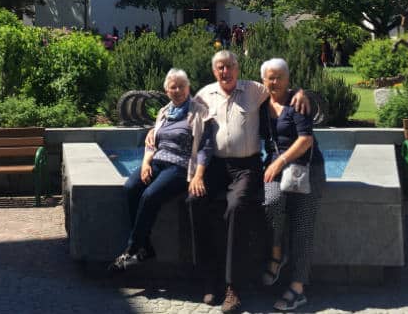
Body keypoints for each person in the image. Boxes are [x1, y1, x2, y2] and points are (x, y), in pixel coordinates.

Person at [181, 50, 309, 313]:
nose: (225, 71)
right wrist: (155, 131)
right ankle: (209, 279)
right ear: (214, 70)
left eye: (229, 66)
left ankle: (233, 287)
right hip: (215, 166)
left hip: (246, 166)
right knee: (194, 200)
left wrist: (301, 91)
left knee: (237, 207)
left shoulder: (253, 89)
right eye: (220, 67)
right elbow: (185, 119)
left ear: (237, 68)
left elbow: (279, 86)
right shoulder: (204, 95)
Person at [109, 69, 214, 272]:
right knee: (131, 187)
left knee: (150, 195)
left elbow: (206, 147)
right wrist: (146, 163)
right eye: (173, 87)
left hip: (180, 166)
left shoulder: (199, 112)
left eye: (181, 86)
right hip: (157, 162)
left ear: (188, 88)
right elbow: (152, 142)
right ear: (167, 91)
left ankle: (132, 249)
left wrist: (199, 174)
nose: (178, 90)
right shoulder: (164, 112)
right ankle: (146, 247)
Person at [259, 58, 325, 311]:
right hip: (277, 169)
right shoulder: (261, 103)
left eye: (280, 77)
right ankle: (277, 253)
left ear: (288, 79)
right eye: (270, 77)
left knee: (302, 226)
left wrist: (280, 161)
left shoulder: (298, 102)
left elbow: (306, 140)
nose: (275, 82)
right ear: (263, 80)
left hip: (306, 169)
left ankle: (298, 288)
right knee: (271, 203)